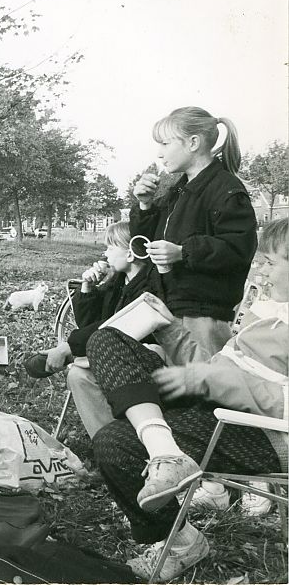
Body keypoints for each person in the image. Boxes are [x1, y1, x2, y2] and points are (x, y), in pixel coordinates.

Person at [82, 217, 287, 581]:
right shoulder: (266, 310)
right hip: (214, 407)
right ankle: (165, 451)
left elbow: (274, 398)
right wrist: (170, 330)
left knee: (113, 444)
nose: (259, 269)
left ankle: (181, 543)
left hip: (259, 433)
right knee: (106, 339)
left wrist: (212, 379)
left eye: (270, 262)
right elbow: (215, 367)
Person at [131, 107, 258, 509]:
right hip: (173, 307)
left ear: (193, 143)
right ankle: (199, 481)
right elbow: (145, 240)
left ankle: (235, 486)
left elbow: (241, 248)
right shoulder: (177, 191)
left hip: (204, 311)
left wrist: (185, 252)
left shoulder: (225, 189)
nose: (160, 153)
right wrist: (145, 205)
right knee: (185, 395)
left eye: (165, 143)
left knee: (211, 397)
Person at [26, 221, 160, 438]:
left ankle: (72, 356)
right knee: (78, 376)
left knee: (79, 368)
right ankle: (109, 441)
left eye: (110, 247)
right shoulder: (117, 282)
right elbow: (89, 323)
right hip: (112, 355)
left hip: (139, 359)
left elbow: (116, 326)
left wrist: (68, 347)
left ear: (129, 255)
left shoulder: (148, 289)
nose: (105, 253)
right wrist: (87, 288)